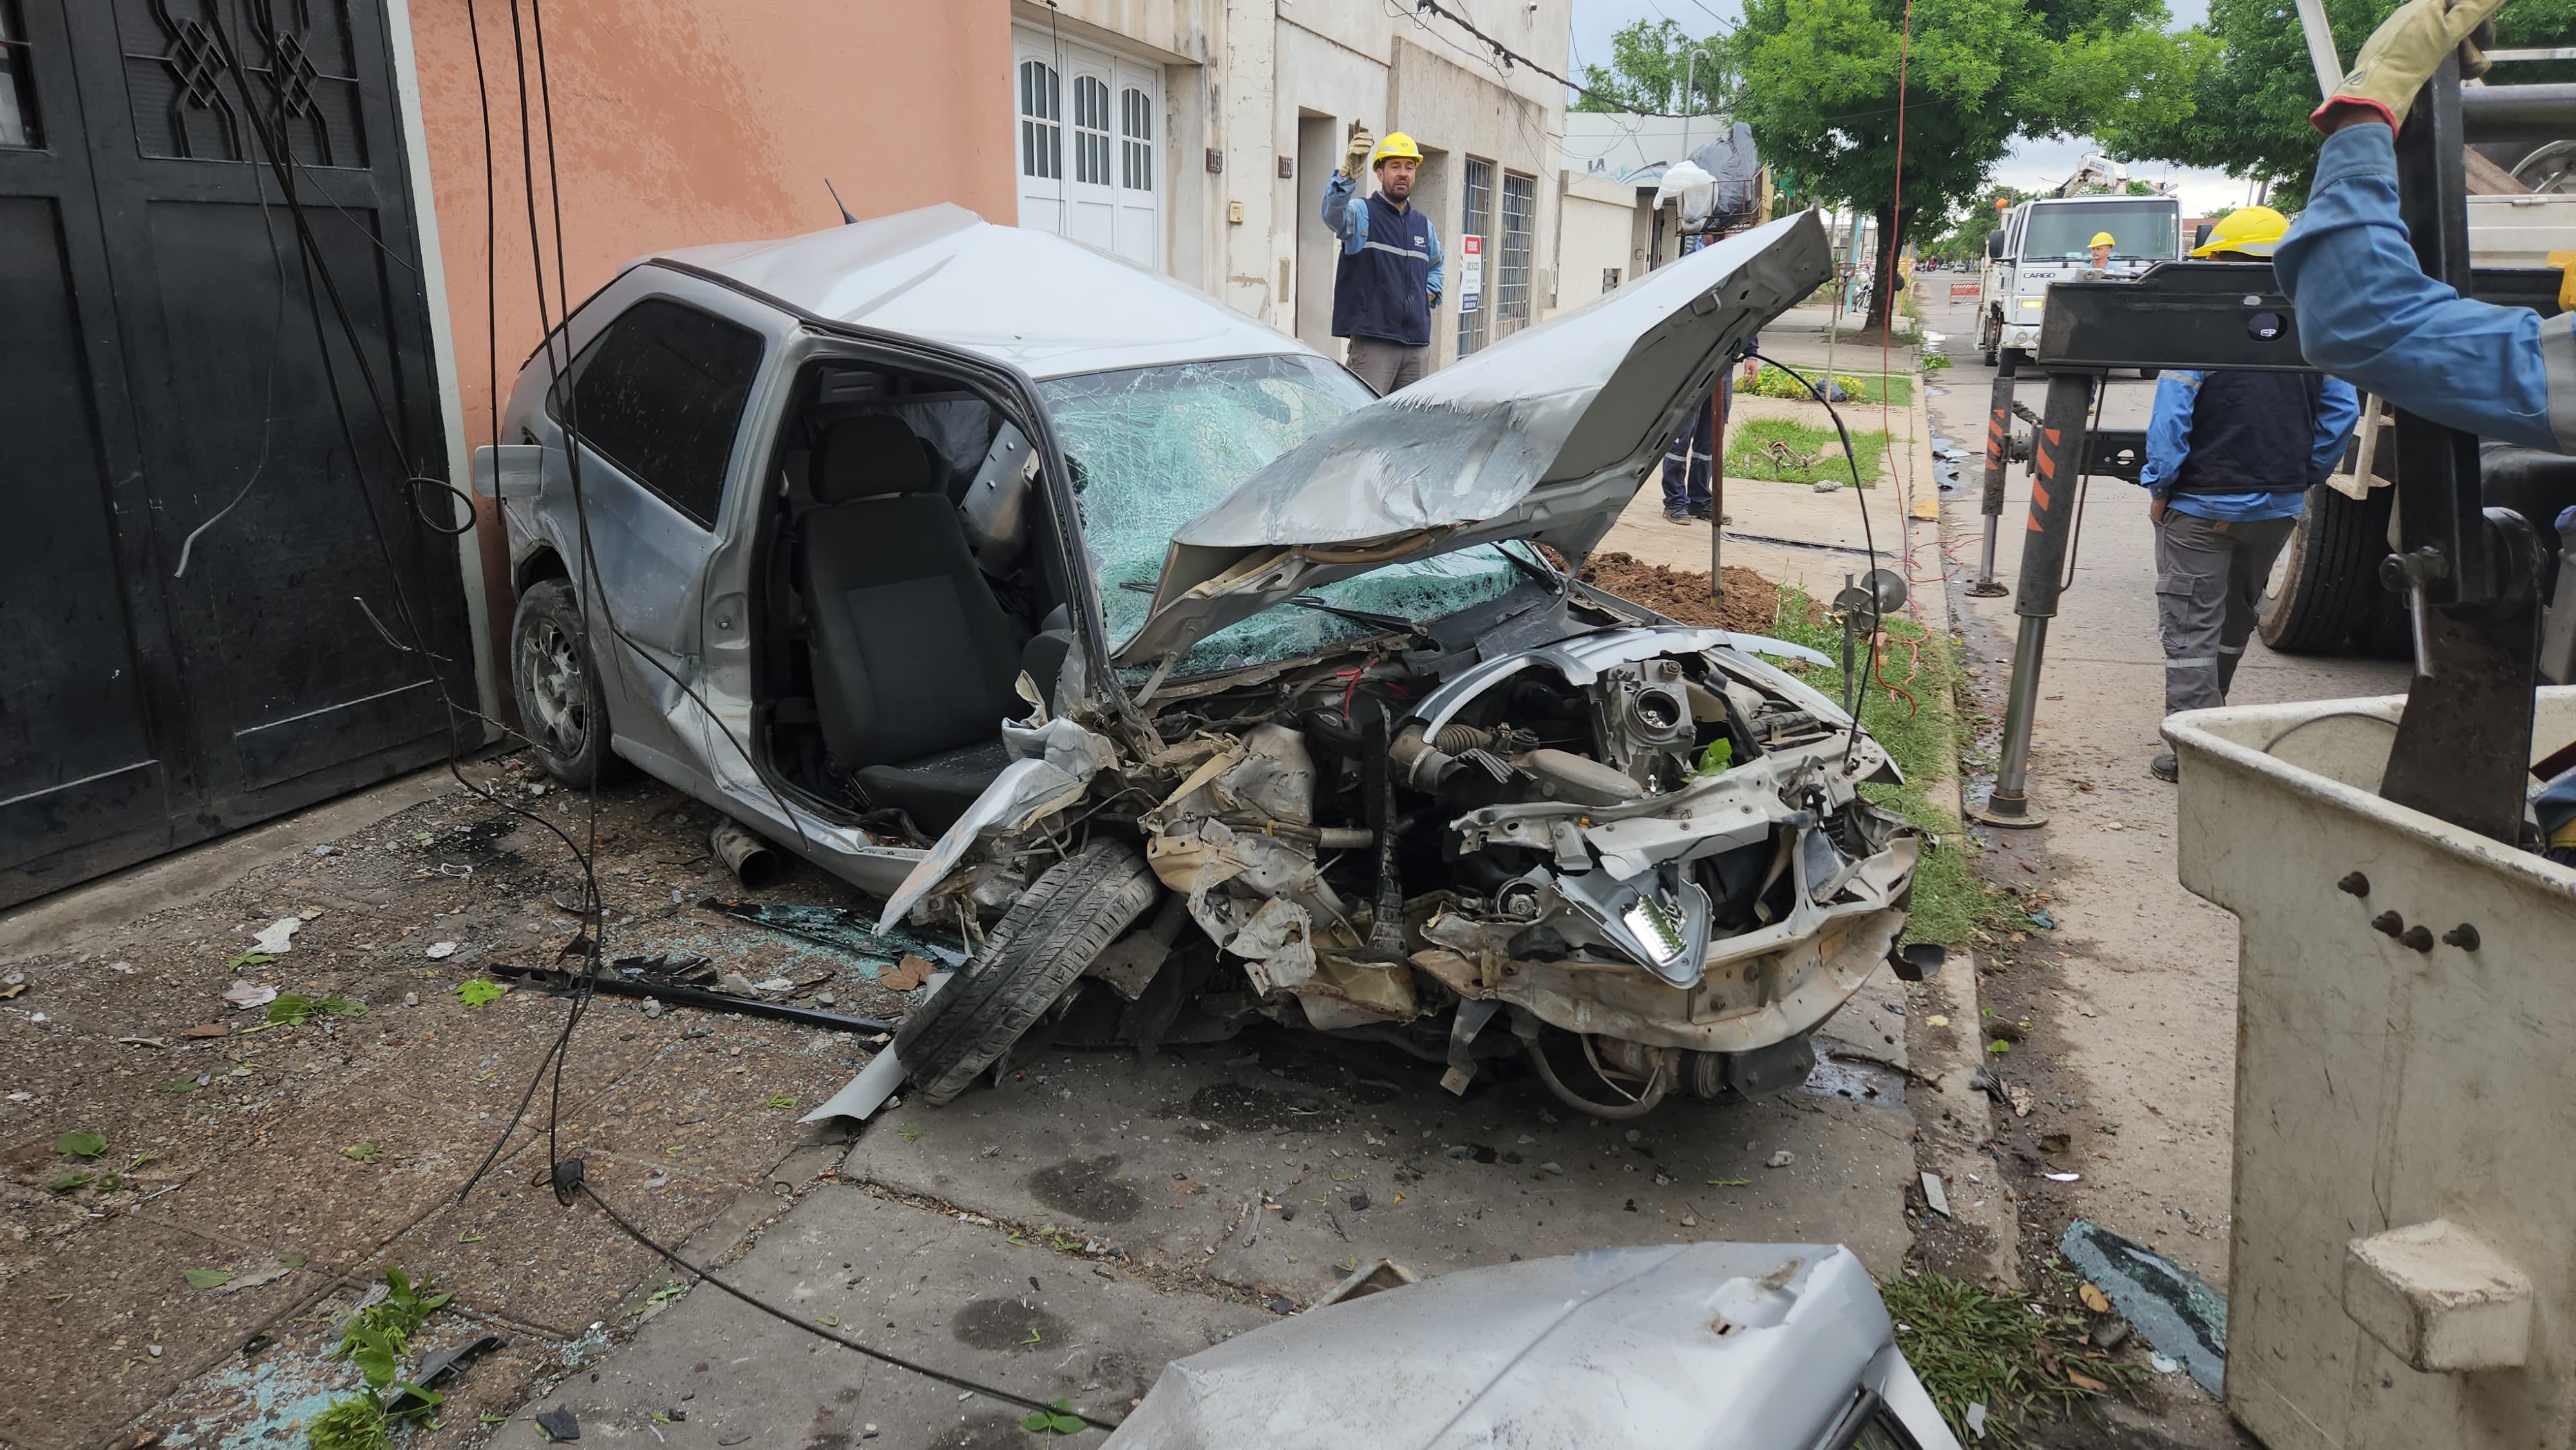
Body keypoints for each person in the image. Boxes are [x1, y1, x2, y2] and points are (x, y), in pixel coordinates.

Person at [2139, 203, 2361, 782]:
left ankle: (2198, 751)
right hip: (2278, 507)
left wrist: (2161, 485)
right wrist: (2303, 472)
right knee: (2236, 622)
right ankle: (2215, 726)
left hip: (2202, 507)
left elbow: (2170, 422)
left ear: (2221, 262)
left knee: (2190, 630)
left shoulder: (2203, 330)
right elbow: (2342, 412)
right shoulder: (2313, 330)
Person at [1321, 127, 1443, 395]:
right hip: (1374, 345)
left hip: (1416, 348)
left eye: (1409, 167)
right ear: (1379, 173)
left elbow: (1437, 265)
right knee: (1364, 425)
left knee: (1408, 428)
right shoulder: (1362, 214)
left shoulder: (1424, 227)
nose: (1403, 173)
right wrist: (1346, 176)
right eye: (1395, 166)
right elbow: (1333, 216)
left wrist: (1429, 294)